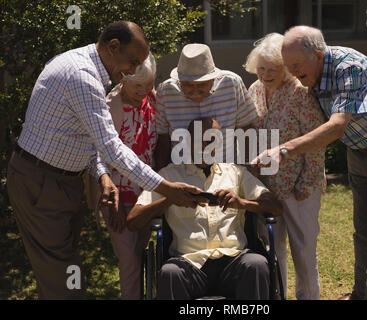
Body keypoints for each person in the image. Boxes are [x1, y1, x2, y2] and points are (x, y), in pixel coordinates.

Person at [7, 21, 206, 300]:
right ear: (113, 47)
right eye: (133, 61)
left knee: (59, 273)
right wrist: (166, 187)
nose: (135, 70)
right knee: (64, 278)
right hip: (41, 182)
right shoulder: (82, 77)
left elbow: (84, 138)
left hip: (57, 182)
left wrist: (102, 176)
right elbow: (111, 147)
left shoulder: (87, 69)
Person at [252, 26, 367, 300]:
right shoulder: (311, 76)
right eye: (288, 66)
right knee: (363, 231)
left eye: (295, 65)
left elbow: (337, 126)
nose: (292, 72)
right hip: (360, 150)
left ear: (317, 55)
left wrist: (284, 150)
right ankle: (360, 293)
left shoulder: (349, 68)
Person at [127, 117, 283, 300]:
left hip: (234, 261)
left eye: (211, 140)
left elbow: (276, 208)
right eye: (199, 139)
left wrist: (242, 203)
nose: (205, 146)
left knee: (256, 264)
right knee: (169, 273)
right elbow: (133, 221)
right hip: (188, 263)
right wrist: (170, 199)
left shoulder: (235, 173)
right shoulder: (169, 176)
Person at [245, 32, 326, 300]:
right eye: (261, 69)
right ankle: (275, 296)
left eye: (273, 70)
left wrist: (308, 182)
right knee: (270, 248)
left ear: (287, 69)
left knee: (303, 250)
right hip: (267, 187)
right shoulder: (254, 90)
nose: (266, 75)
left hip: (299, 184)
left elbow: (316, 140)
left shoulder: (300, 93)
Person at [85, 52, 158, 299]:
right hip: (116, 196)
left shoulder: (153, 100)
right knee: (128, 259)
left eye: (148, 85)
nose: (143, 91)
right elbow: (95, 153)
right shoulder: (110, 106)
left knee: (142, 254)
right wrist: (109, 202)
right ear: (124, 80)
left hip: (145, 195)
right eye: (138, 86)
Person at [154, 43, 258, 170]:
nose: (195, 90)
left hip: (225, 171)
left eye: (201, 84)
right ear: (179, 81)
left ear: (213, 79)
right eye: (188, 85)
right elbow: (163, 139)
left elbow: (246, 129)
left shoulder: (232, 83)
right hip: (183, 173)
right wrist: (161, 173)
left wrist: (248, 169)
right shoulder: (166, 91)